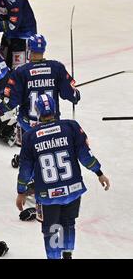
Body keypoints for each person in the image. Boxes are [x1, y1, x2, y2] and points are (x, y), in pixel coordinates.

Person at [16, 94, 110, 259]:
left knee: (51, 229)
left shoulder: (30, 136)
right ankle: (68, 255)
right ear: (55, 108)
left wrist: (21, 191)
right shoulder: (71, 127)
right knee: (68, 224)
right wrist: (99, 173)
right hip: (72, 190)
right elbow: (85, 156)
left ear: (37, 111)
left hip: (48, 195)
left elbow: (25, 169)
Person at [0, 34, 80, 163]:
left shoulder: (21, 72)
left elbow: (11, 102)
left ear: (28, 49)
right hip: (52, 123)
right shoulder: (56, 67)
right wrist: (75, 96)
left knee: (24, 127)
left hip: (28, 124)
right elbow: (70, 94)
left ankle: (26, 156)